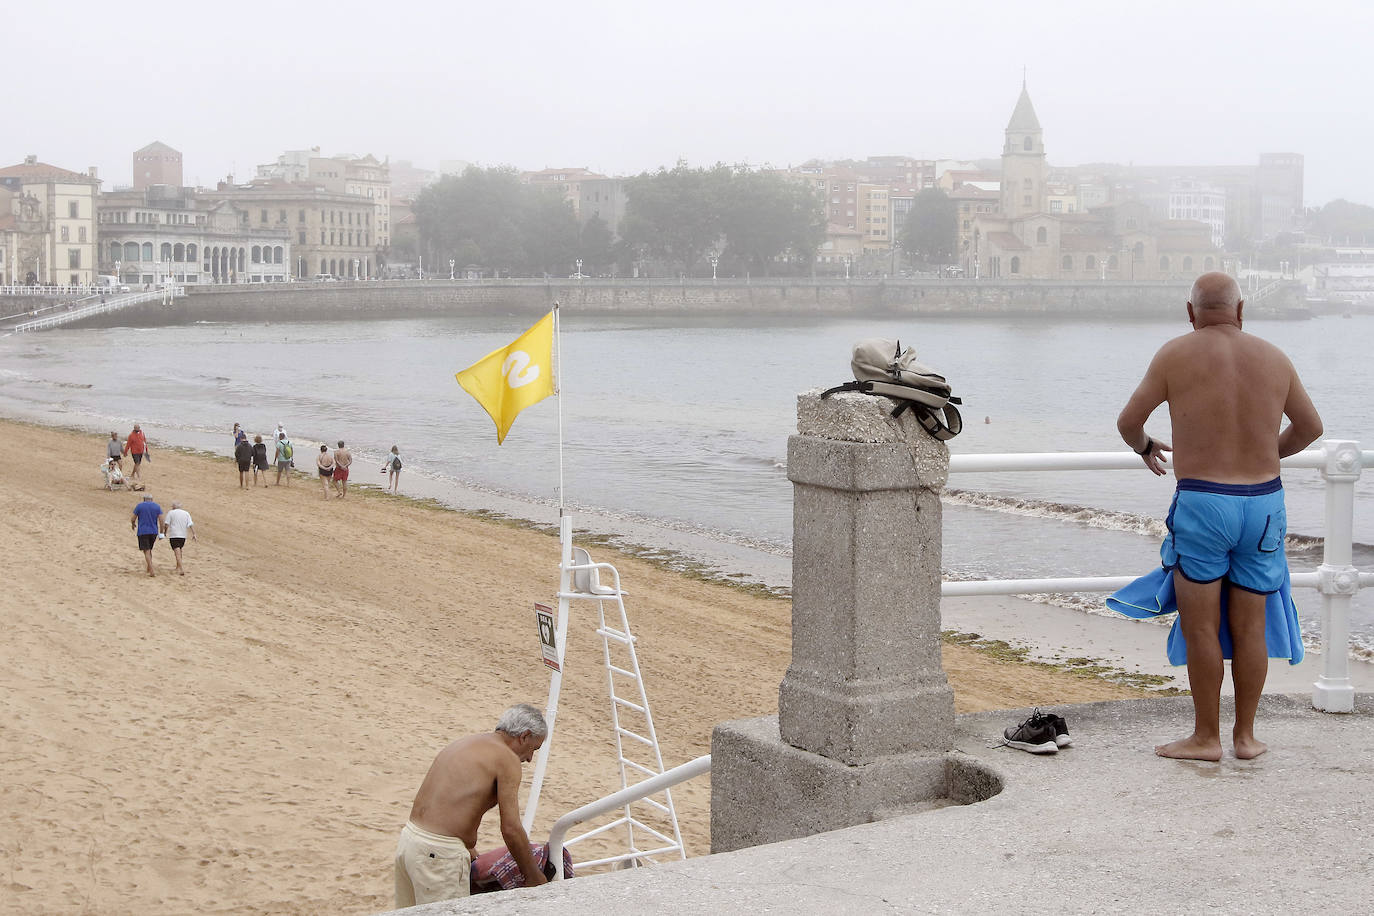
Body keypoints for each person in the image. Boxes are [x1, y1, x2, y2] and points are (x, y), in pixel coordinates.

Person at [1117, 272, 1323, 761]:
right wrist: (1265, 452)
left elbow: (1128, 422)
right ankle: (1246, 738)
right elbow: (1311, 427)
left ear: (1191, 313)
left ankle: (1206, 738)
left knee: (1202, 627)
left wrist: (1146, 447)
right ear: (1241, 309)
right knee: (1252, 625)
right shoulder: (1274, 357)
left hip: (1204, 502)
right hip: (1264, 505)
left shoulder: (1175, 354)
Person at [395, 704, 548, 908]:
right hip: (438, 856)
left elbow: (448, 798)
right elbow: (511, 829)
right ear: (524, 736)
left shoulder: (468, 743)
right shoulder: (507, 759)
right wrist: (533, 876)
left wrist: (468, 845)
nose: (529, 759)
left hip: (409, 843)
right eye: (534, 749)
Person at [130, 494, 164, 577]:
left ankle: (151, 570)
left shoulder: (140, 506)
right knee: (149, 549)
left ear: (144, 499)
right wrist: (161, 532)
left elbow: (133, 518)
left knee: (146, 550)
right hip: (153, 531)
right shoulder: (157, 506)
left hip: (143, 531)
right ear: (152, 499)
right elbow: (161, 520)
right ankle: (149, 568)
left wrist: (133, 524)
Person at [161, 500, 196, 576]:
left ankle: (181, 568)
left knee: (177, 552)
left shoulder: (171, 513)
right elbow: (190, 524)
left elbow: (166, 524)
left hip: (174, 534)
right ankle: (178, 566)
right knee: (179, 551)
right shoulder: (186, 513)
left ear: (173, 507)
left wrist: (165, 532)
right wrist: (194, 533)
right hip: (183, 535)